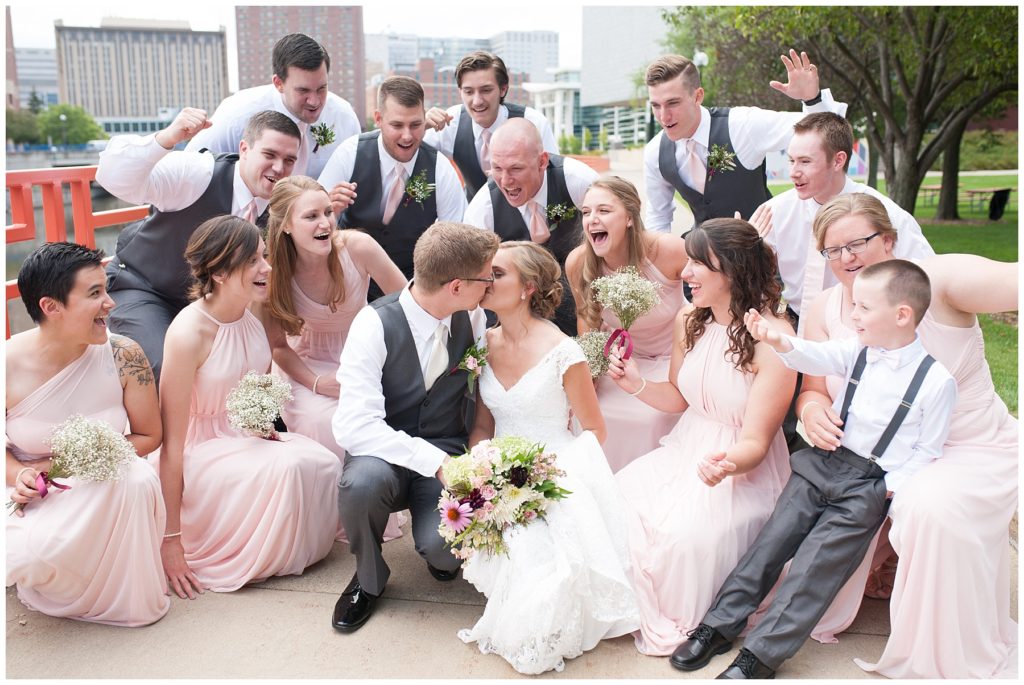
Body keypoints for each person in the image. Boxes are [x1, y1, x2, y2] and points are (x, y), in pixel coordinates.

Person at [674, 260, 957, 680]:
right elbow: (817, 355)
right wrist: (775, 339)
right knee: (770, 544)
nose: (853, 315)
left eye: (862, 307)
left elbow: (927, 448)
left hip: (869, 484)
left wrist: (889, 489)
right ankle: (718, 625)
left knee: (814, 569)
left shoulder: (936, 381)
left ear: (902, 315)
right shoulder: (857, 349)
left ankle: (761, 655)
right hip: (823, 462)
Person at [796, 194, 1019, 678]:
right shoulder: (824, 308)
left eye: (856, 243)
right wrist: (812, 409)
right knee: (792, 534)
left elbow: (1013, 282)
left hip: (967, 448)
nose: (845, 259)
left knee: (927, 507)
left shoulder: (935, 281)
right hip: (875, 456)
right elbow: (812, 387)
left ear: (891, 241)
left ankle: (939, 655)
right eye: (831, 251)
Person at [610, 218, 796, 656]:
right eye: (688, 262)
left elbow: (757, 442)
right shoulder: (689, 319)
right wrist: (635, 383)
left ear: (733, 270)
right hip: (682, 449)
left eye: (698, 264)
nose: (685, 273)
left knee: (682, 545)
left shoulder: (773, 341)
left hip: (740, 468)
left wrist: (726, 465)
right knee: (615, 503)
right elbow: (680, 396)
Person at [456, 241, 639, 674]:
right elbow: (484, 424)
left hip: (556, 469)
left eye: (497, 273)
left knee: (541, 557)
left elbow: (595, 429)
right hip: (499, 471)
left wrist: (550, 475)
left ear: (527, 287)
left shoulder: (564, 352)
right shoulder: (482, 343)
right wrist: (478, 465)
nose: (487, 280)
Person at [155, 216, 342, 599]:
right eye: (255, 261)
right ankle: (242, 552)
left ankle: (282, 551)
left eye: (265, 257)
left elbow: (256, 392)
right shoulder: (188, 333)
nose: (267, 268)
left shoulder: (255, 315)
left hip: (245, 436)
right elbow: (170, 445)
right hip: (200, 448)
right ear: (221, 272)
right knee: (288, 467)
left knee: (323, 461)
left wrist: (265, 428)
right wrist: (170, 538)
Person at [330, 222, 501, 633]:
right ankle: (368, 580)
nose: (492, 284)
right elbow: (355, 426)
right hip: (382, 453)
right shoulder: (372, 324)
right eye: (487, 276)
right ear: (456, 286)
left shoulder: (474, 319)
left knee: (445, 552)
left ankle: (435, 552)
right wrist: (433, 460)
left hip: (446, 445)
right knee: (362, 483)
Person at [6, 242, 168, 626]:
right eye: (95, 293)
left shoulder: (124, 354)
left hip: (103, 479)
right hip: (31, 489)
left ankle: (121, 590)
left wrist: (82, 460)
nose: (111, 303)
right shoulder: (6, 364)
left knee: (138, 477)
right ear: (51, 307)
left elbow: (148, 436)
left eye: (106, 289)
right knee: (28, 556)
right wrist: (24, 475)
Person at [96, 107, 300, 380]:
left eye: (289, 160)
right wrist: (167, 138)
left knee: (248, 368)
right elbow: (115, 179)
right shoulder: (198, 173)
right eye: (269, 155)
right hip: (145, 289)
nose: (279, 168)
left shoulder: (279, 203)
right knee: (165, 368)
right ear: (245, 149)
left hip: (208, 306)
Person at [257, 175, 407, 542]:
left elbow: (408, 303)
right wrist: (316, 382)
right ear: (287, 226)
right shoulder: (271, 270)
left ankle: (368, 510)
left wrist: (388, 362)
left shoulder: (358, 247)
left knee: (367, 414)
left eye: (327, 212)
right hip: (306, 364)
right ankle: (328, 518)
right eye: (311, 216)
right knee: (320, 417)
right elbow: (278, 346)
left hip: (363, 353)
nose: (325, 223)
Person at [755, 113, 933, 325]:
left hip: (868, 324)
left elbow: (926, 278)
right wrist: (746, 247)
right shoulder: (774, 212)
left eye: (805, 161)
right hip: (796, 322)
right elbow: (748, 275)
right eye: (792, 160)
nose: (793, 172)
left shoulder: (888, 216)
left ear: (838, 160)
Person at [643, 50, 847, 233]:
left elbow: (822, 132)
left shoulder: (742, 125)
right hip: (703, 261)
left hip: (766, 251)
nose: (663, 116)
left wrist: (811, 100)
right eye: (656, 106)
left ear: (698, 96)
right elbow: (658, 218)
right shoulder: (655, 152)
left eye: (673, 103)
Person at [565, 176, 688, 472]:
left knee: (650, 419)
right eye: (586, 213)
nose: (592, 219)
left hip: (674, 358)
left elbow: (711, 293)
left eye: (604, 211)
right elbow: (589, 328)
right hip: (621, 362)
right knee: (588, 414)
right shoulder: (578, 263)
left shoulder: (668, 250)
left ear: (630, 218)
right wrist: (589, 381)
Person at [317, 76, 467, 298]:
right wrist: (332, 212)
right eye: (397, 125)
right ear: (378, 119)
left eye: (416, 125)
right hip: (347, 283)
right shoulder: (349, 153)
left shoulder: (440, 169)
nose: (407, 136)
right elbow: (312, 221)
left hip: (411, 290)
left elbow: (456, 241)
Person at [464, 118, 597, 335]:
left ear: (542, 161)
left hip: (582, 299)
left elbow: (618, 237)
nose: (506, 181)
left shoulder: (578, 180)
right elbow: (475, 277)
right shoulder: (483, 207)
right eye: (497, 168)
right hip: (521, 309)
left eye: (516, 168)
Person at [186, 33, 360, 180]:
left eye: (322, 88)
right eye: (303, 90)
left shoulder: (344, 117)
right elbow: (190, 170)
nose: (315, 101)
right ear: (278, 83)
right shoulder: (236, 114)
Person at [424, 50, 558, 201]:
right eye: (468, 92)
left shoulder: (533, 121)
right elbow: (412, 160)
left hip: (527, 216)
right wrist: (420, 126)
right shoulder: (452, 121)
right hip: (472, 219)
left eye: (486, 90)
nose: (477, 101)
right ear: (460, 92)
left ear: (503, 89)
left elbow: (554, 177)